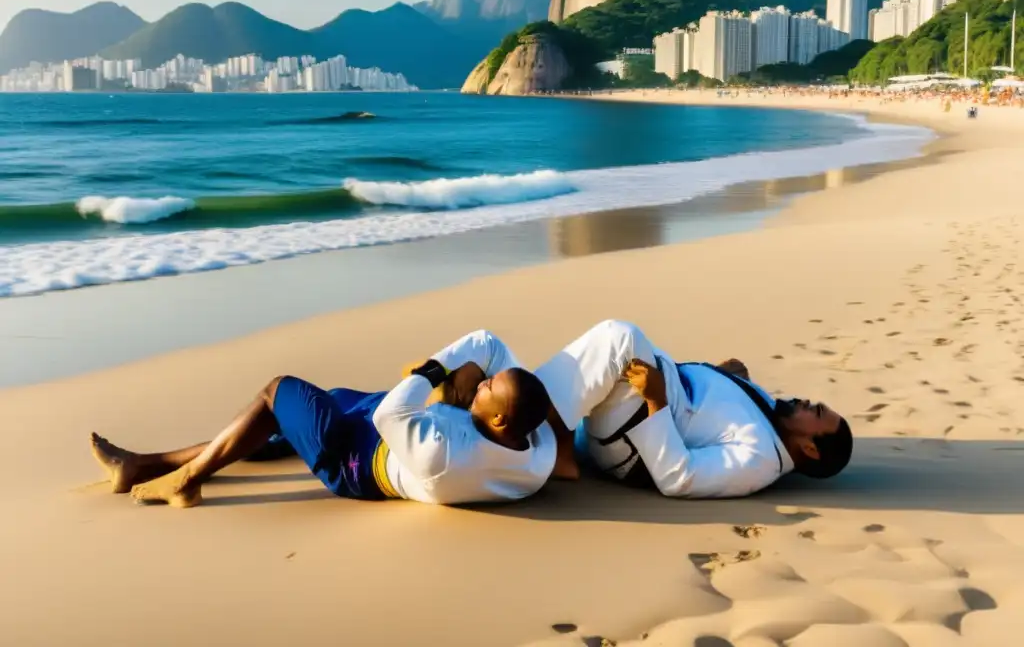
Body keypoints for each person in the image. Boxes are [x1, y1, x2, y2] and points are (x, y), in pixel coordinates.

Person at [90, 330, 569, 508]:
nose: (483, 384)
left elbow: (391, 412)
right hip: (386, 431)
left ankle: (187, 480)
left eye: (488, 389)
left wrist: (433, 371)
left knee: (277, 392)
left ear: (501, 421)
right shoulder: (536, 453)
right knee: (284, 422)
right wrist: (471, 389)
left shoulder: (442, 454)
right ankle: (142, 464)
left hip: (357, 459)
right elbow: (489, 345)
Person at [534, 320, 853, 498]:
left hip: (631, 438)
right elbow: (711, 414)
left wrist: (655, 401)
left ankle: (551, 436)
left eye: (817, 413)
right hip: (646, 396)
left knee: (622, 338)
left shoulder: (757, 460)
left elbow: (679, 478)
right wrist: (723, 377)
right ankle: (520, 401)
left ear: (810, 448)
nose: (808, 403)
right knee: (619, 346)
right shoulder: (774, 418)